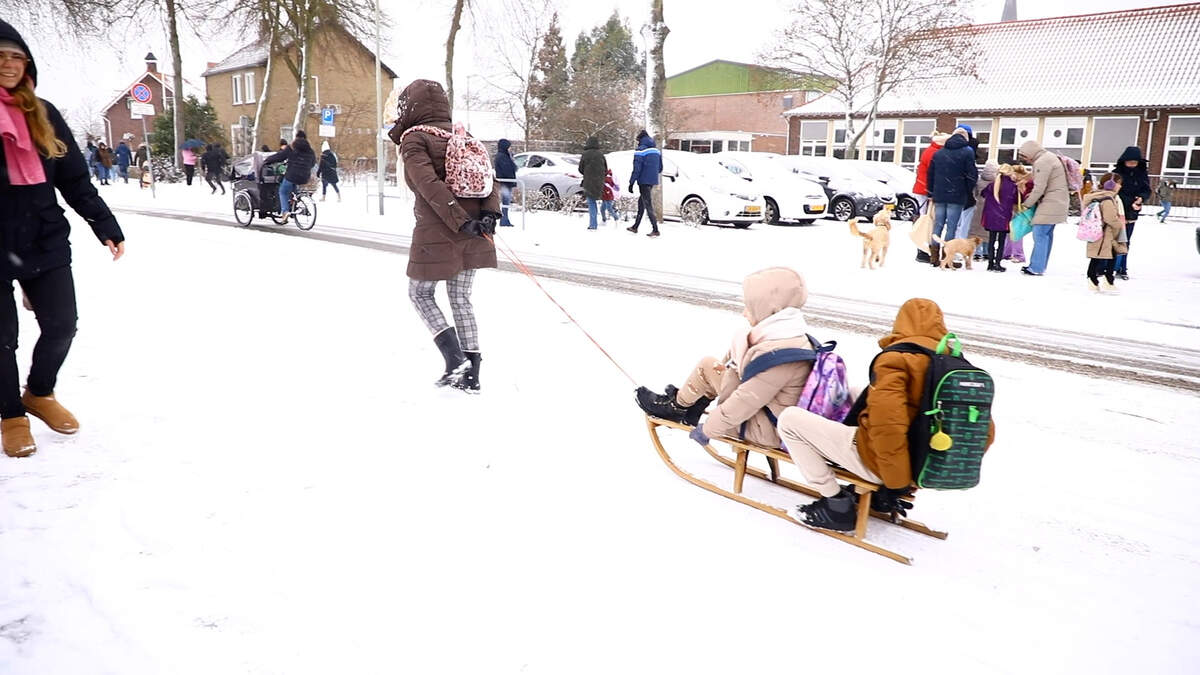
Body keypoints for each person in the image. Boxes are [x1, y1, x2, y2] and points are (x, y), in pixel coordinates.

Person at [0, 20, 126, 458]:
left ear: (28, 64)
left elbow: (74, 179)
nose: (9, 64)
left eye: (16, 56)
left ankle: (39, 392)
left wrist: (105, 225)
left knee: (62, 326)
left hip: (44, 238)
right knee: (2, 338)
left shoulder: (44, 114)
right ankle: (11, 414)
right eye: (0, 56)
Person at [777, 298, 995, 531]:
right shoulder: (955, 365)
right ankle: (878, 488)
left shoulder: (896, 359)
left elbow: (888, 427)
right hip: (923, 465)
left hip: (884, 466)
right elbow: (984, 433)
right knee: (856, 393)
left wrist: (895, 484)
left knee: (790, 420)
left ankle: (835, 505)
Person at [393, 79, 501, 393]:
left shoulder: (415, 139)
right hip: (476, 229)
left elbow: (425, 183)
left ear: (411, 107)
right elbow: (489, 178)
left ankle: (455, 359)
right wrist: (489, 214)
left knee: (419, 293)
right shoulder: (463, 136)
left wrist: (457, 218)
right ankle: (471, 373)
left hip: (437, 231)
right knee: (461, 299)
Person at [634, 267, 815, 449]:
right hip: (769, 414)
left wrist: (708, 430)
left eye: (750, 308)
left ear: (769, 310)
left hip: (768, 430)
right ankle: (689, 406)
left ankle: (676, 408)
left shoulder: (779, 356)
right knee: (722, 358)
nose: (744, 313)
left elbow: (744, 401)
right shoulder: (789, 336)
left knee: (711, 366)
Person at [925, 127, 977, 267]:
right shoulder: (967, 152)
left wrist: (931, 192)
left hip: (939, 194)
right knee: (952, 227)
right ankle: (947, 257)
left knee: (938, 224)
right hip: (957, 194)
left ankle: (934, 257)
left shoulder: (939, 153)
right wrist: (968, 190)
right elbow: (972, 175)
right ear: (965, 139)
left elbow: (930, 174)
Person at [1018, 140, 1069, 276]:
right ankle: (1040, 265)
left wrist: (1026, 204)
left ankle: (1036, 267)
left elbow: (1039, 187)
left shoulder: (1042, 162)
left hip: (1050, 203)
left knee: (1040, 234)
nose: (1025, 159)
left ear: (1030, 152)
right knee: (1046, 235)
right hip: (1058, 201)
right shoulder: (1049, 157)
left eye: (1024, 156)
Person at [1082, 173, 1128, 292]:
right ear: (1111, 184)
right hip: (1106, 233)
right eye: (1118, 183)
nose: (1120, 186)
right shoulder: (1108, 198)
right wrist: (1120, 225)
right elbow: (1110, 218)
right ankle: (1101, 280)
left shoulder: (1098, 196)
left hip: (1099, 231)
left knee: (1101, 256)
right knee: (1105, 256)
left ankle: (1102, 280)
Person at [981, 164, 1030, 272]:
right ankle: (997, 263)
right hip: (1004, 217)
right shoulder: (1013, 186)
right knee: (1001, 241)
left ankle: (990, 264)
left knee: (992, 240)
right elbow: (1018, 200)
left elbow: (983, 194)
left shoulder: (992, 185)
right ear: (1010, 173)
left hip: (990, 216)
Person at [1111, 146, 1150, 280]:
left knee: (1126, 240)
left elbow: (1146, 190)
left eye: (1135, 162)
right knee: (1113, 239)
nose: (1132, 165)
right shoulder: (1116, 174)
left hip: (1132, 211)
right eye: (1130, 162)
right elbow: (1111, 191)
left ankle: (1122, 267)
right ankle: (1107, 266)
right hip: (1117, 210)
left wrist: (1140, 199)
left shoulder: (1142, 174)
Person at [910, 131, 949, 263]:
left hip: (921, 189)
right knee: (927, 221)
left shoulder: (929, 150)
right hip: (926, 191)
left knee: (924, 219)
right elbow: (934, 174)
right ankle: (923, 249)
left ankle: (922, 249)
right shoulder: (935, 153)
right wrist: (931, 192)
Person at [263, 130, 316, 224]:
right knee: (293, 189)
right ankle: (294, 204)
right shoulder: (310, 150)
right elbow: (312, 163)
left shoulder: (292, 147)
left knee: (283, 191)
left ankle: (285, 212)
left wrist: (267, 160)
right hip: (304, 176)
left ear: (296, 137)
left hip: (292, 174)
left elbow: (280, 156)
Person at [626, 129, 661, 237]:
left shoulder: (640, 151)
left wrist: (631, 182)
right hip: (652, 181)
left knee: (648, 205)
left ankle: (655, 229)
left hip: (643, 181)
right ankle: (635, 227)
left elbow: (637, 169)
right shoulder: (656, 151)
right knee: (642, 203)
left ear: (640, 139)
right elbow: (660, 168)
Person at [578, 135, 606, 231]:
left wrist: (587, 173)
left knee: (591, 202)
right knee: (600, 200)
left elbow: (580, 168)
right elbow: (605, 168)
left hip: (589, 181)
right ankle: (606, 217)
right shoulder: (601, 154)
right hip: (599, 181)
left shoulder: (585, 154)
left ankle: (593, 224)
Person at [493, 138, 517, 227]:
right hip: (505, 182)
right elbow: (508, 169)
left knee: (506, 202)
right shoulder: (502, 156)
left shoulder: (505, 156)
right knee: (505, 201)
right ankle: (504, 220)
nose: (510, 148)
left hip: (507, 182)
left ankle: (505, 219)